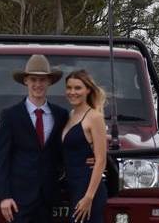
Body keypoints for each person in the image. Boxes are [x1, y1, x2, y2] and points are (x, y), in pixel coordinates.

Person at [0, 54, 69, 223]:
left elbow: (66, 150)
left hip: (49, 198)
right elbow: (2, 159)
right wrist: (4, 196)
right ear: (26, 81)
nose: (38, 84)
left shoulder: (61, 115)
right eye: (33, 79)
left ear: (49, 82)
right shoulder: (10, 116)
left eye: (42, 80)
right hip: (19, 199)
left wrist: (90, 158)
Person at [61, 69, 108, 223]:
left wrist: (88, 197)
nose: (72, 92)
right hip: (71, 186)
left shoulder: (94, 117)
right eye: (69, 87)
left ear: (88, 90)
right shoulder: (70, 116)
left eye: (77, 88)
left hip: (87, 188)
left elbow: (101, 160)